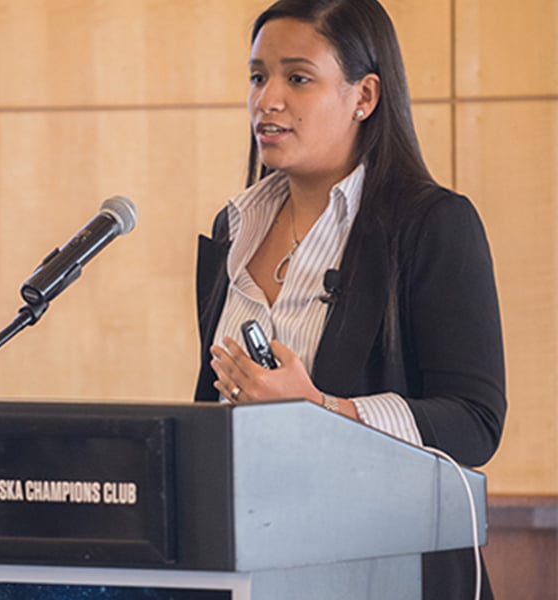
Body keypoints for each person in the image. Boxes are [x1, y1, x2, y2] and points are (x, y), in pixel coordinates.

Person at [193, 1, 507, 598]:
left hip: (385, 570)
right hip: (254, 567)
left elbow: (475, 421)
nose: (268, 100)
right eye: (258, 76)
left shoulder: (433, 224)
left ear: (364, 97)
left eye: (298, 78)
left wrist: (321, 410)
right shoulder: (233, 231)